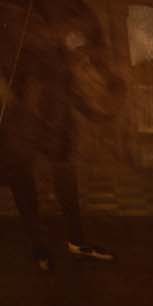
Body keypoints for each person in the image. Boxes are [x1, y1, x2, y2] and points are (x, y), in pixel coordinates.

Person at [0, 0, 120, 271]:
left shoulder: (69, 5)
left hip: (58, 96)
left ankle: (76, 241)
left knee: (64, 167)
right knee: (21, 170)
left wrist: (80, 46)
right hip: (23, 98)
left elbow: (91, 36)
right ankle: (38, 246)